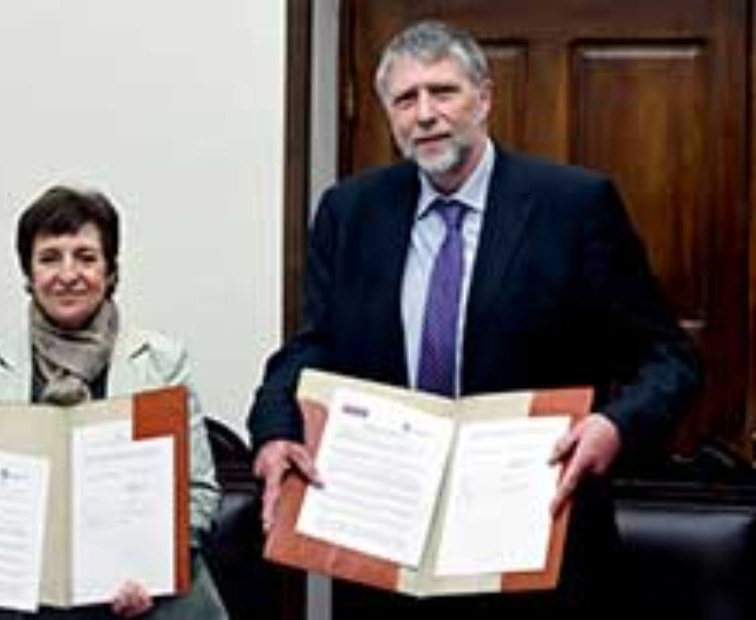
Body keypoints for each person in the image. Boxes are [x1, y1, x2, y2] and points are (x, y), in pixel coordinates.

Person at [248, 20, 700, 618]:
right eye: (406, 99)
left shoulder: (573, 206)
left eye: (443, 91)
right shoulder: (351, 211)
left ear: (483, 98)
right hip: (387, 547)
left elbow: (670, 359)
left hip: (536, 538)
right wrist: (277, 426)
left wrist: (614, 426)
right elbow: (312, 348)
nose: (425, 114)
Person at [0, 185, 228, 619]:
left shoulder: (162, 362)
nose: (67, 274)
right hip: (21, 601)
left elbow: (200, 491)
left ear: (111, 271)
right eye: (49, 258)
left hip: (141, 601)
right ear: (28, 273)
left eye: (85, 257)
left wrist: (153, 571)